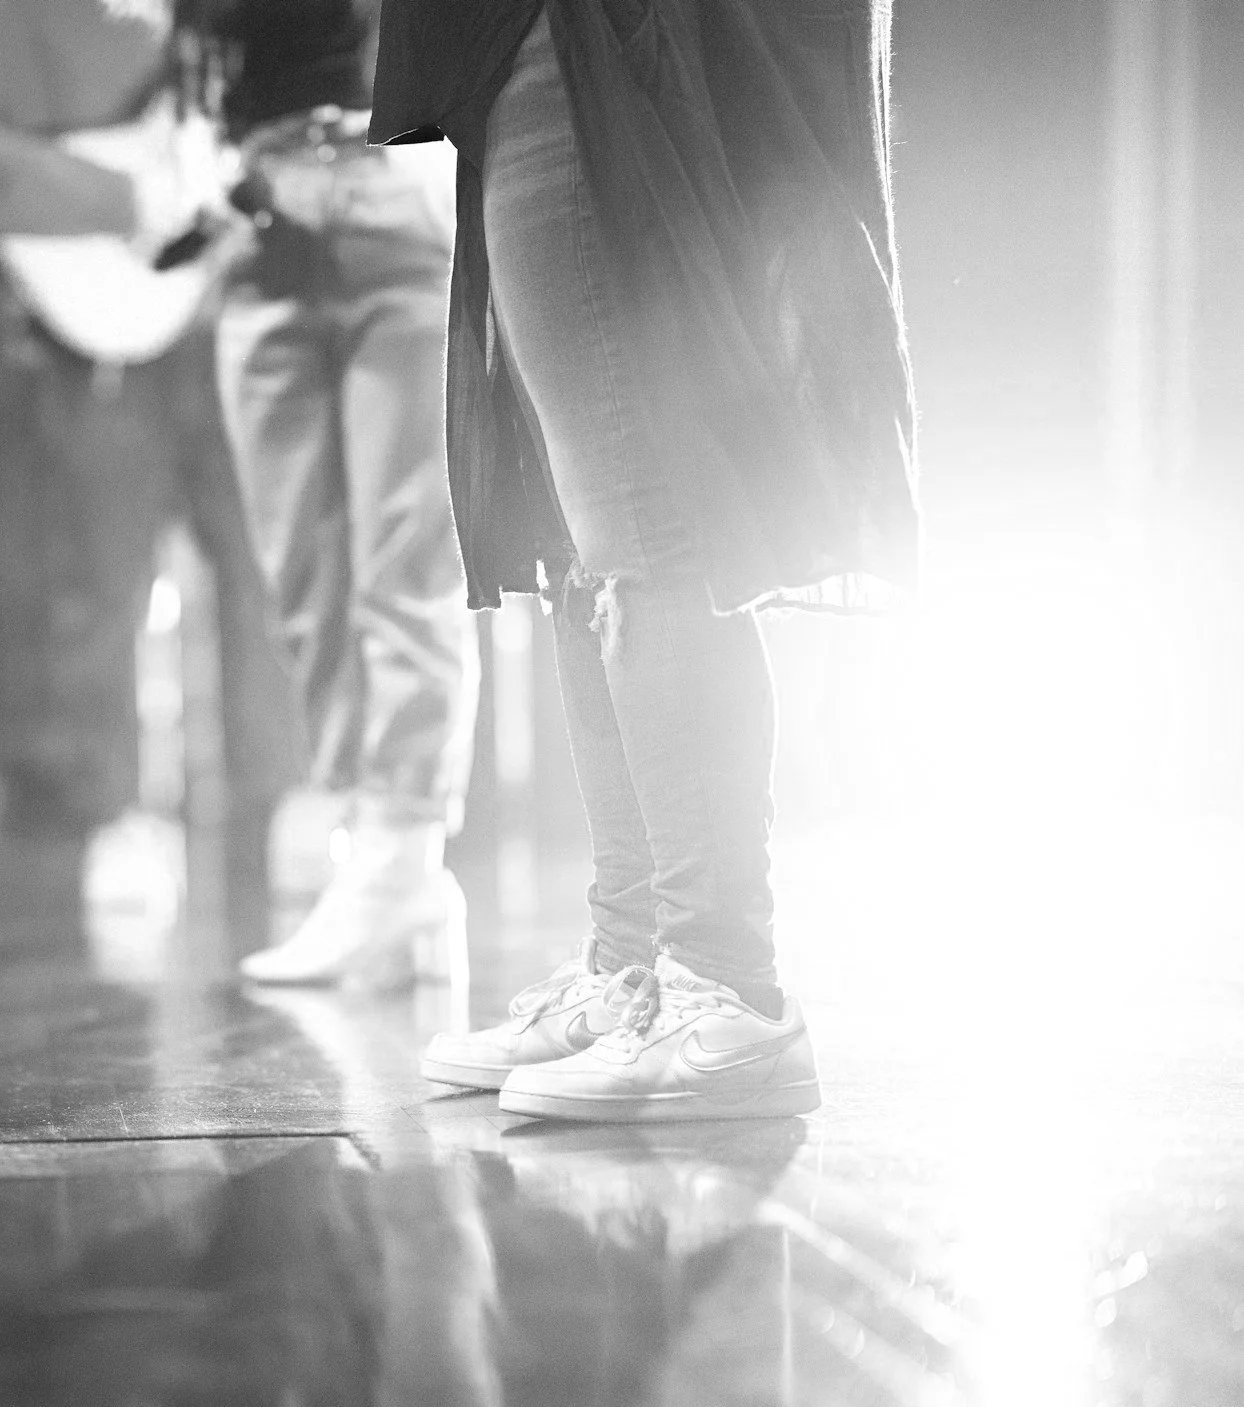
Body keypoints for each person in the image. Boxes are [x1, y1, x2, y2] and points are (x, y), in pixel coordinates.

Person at [392, 0, 920, 1120]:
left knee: (640, 523)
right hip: (521, 45)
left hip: (591, 37)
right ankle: (635, 969)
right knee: (580, 544)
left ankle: (727, 988)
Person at [0, 0, 293, 919]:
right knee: (102, 586)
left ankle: (281, 810)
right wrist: (121, 200)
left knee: (268, 572)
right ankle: (115, 814)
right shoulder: (12, 16)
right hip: (99, 344)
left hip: (231, 320)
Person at [180, 0, 481, 988]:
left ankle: (402, 851)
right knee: (302, 575)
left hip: (384, 169)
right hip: (259, 207)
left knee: (406, 557)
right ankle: (382, 863)